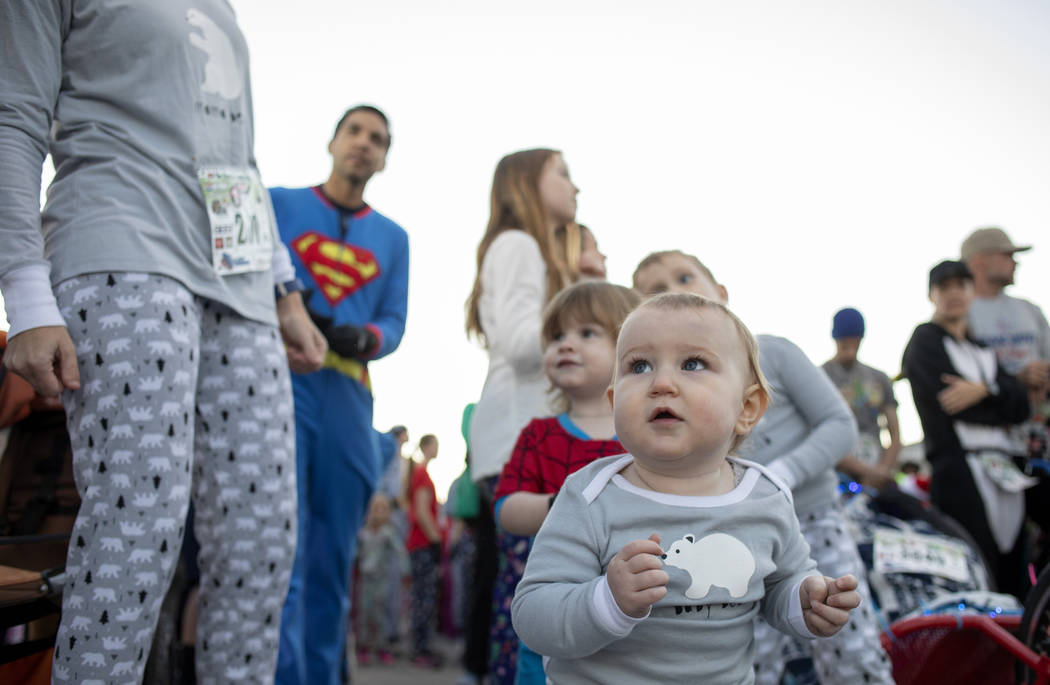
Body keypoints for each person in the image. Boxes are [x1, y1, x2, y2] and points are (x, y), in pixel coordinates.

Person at [0, 3, 327, 682]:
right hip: (121, 240)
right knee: (137, 526)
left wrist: (284, 289)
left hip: (236, 279)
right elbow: (13, 115)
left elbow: (236, 151)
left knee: (261, 540)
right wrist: (25, 293)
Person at [512, 293, 862, 684]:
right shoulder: (589, 495)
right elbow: (531, 613)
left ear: (747, 409)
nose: (661, 383)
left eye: (692, 364)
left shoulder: (766, 496)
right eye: (639, 365)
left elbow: (780, 586)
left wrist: (807, 602)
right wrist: (606, 600)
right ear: (613, 405)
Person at [632, 250, 894, 685]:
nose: (674, 292)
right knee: (754, 654)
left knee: (844, 637)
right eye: (656, 291)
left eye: (684, 277)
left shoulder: (774, 353)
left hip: (814, 520)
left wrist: (782, 476)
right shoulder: (661, 388)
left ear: (721, 294)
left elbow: (839, 425)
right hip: (734, 538)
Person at [270, 104, 409, 685]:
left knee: (332, 561)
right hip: (283, 382)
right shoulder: (281, 204)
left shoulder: (393, 238)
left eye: (377, 138)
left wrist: (366, 336)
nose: (364, 144)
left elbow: (395, 322)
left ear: (384, 157)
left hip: (350, 396)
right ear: (332, 141)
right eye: (354, 131)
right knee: (281, 549)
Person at [462, 148, 579, 685]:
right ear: (529, 185)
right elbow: (518, 342)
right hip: (521, 442)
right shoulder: (518, 244)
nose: (577, 187)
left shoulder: (532, 250)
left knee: (523, 594)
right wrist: (582, 329)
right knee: (528, 601)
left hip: (521, 437)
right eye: (564, 174)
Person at [494, 281, 639, 684]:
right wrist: (561, 502)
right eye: (556, 336)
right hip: (553, 603)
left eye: (587, 333)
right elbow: (505, 507)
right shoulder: (539, 435)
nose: (565, 345)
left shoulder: (646, 436)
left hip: (636, 619)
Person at [901, 260, 1032, 598]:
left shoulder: (983, 350)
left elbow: (1020, 406)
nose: (954, 293)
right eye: (945, 287)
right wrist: (996, 396)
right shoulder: (925, 341)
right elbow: (950, 404)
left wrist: (985, 390)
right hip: (961, 473)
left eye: (961, 285)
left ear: (972, 291)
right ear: (932, 295)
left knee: (1016, 574)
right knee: (977, 575)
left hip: (1006, 471)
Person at [821, 307, 903, 489]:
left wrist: (883, 470)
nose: (850, 348)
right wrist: (861, 471)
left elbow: (895, 434)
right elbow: (819, 434)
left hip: (878, 470)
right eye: (845, 342)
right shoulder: (821, 377)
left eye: (855, 341)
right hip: (838, 475)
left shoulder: (879, 378)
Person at [405, 434, 444, 667]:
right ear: (428, 446)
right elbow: (421, 511)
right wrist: (435, 539)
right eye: (436, 444)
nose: (438, 448)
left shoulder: (419, 472)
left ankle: (421, 646)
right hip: (422, 544)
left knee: (423, 595)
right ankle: (420, 649)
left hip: (420, 543)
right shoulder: (421, 474)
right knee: (424, 596)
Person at [355, 493, 407, 667]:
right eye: (375, 509)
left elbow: (400, 551)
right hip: (365, 580)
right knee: (364, 613)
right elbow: (355, 552)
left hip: (382, 580)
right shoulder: (363, 533)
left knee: (382, 614)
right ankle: (363, 646)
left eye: (383, 509)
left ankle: (382, 647)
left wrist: (406, 571)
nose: (379, 513)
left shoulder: (388, 533)